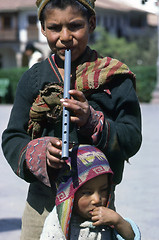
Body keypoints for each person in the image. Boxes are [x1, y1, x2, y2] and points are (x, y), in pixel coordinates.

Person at [1, 0, 142, 239]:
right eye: (55, 27)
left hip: (96, 208)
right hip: (43, 206)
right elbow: (13, 137)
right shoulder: (33, 79)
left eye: (75, 26)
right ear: (43, 28)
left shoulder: (115, 78)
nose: (65, 37)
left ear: (92, 23)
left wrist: (93, 121)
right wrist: (40, 152)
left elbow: (131, 137)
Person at [40, 144, 141, 240]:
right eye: (87, 192)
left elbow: (131, 237)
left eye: (104, 190)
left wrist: (118, 222)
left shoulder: (108, 218)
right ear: (69, 194)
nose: (97, 200)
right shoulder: (56, 224)